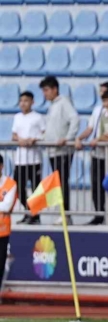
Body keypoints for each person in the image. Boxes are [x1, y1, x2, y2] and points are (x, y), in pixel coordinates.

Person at [76, 81, 108, 226]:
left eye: (103, 92)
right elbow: (90, 128)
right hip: (96, 152)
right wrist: (80, 138)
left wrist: (100, 139)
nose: (100, 94)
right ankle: (99, 213)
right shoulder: (97, 109)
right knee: (95, 184)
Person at [40, 76, 78, 225]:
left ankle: (65, 214)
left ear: (55, 89)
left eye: (47, 90)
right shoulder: (53, 106)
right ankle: (62, 212)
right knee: (58, 183)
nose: (45, 94)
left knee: (62, 182)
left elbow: (75, 119)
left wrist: (68, 138)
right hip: (53, 150)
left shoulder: (63, 102)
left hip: (62, 151)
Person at [12, 91, 45, 225]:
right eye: (21, 101)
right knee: (18, 188)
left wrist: (34, 139)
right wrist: (20, 139)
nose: (23, 103)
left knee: (35, 189)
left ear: (32, 102)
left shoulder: (37, 117)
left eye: (26, 101)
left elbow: (44, 133)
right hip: (20, 159)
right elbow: (13, 135)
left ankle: (35, 215)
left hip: (34, 159)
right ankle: (29, 211)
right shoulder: (17, 117)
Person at [0, 155, 17, 287]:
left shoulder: (10, 184)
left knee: (0, 263)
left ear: (1, 166)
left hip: (2, 231)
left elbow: (7, 206)